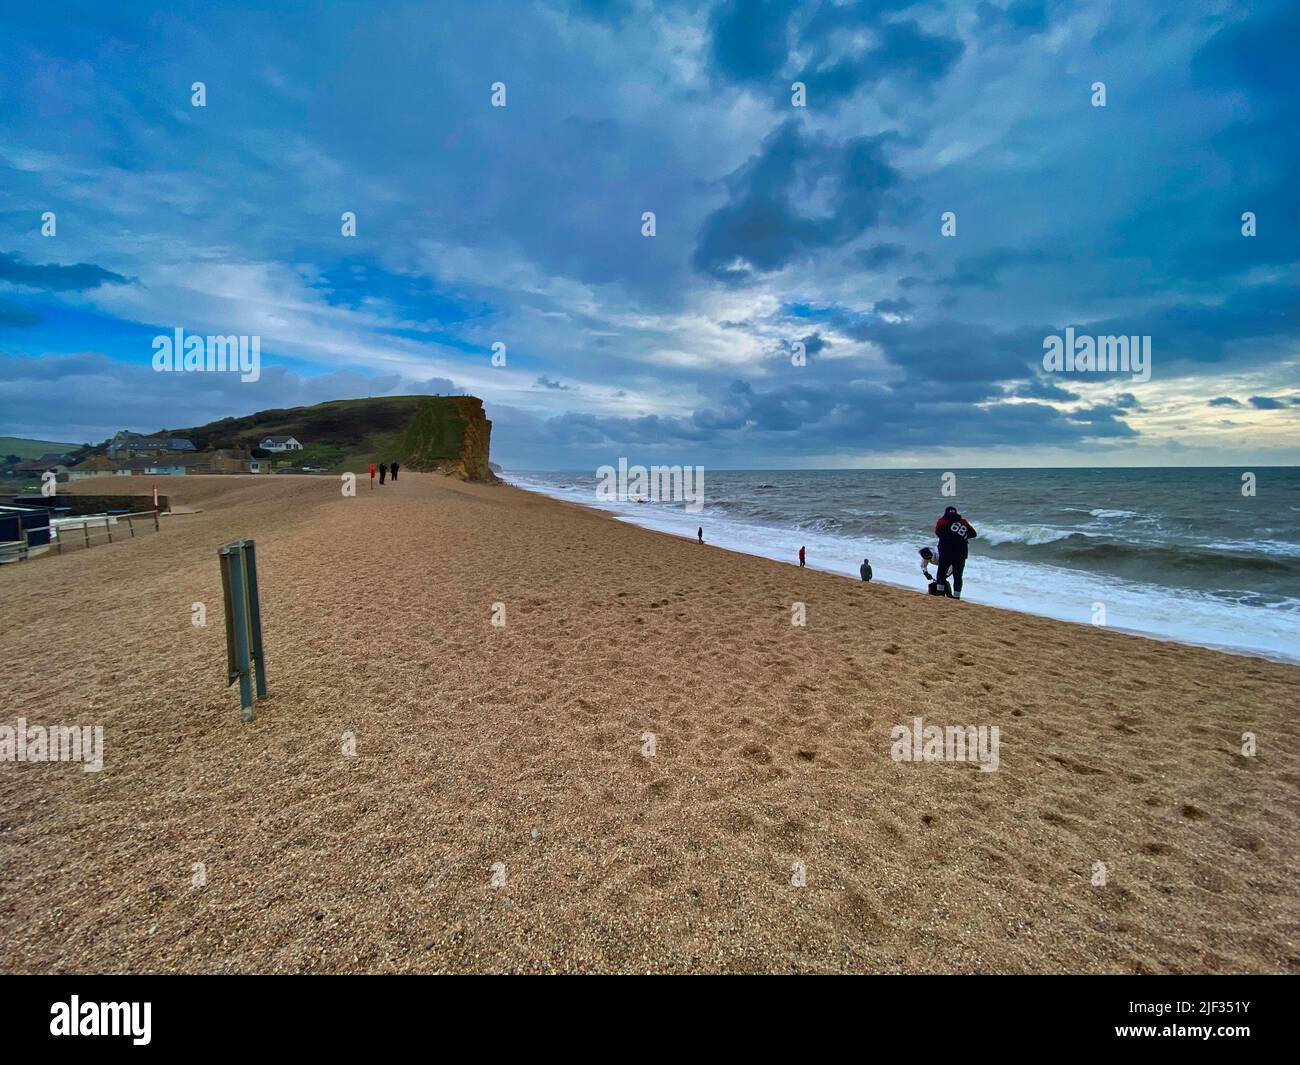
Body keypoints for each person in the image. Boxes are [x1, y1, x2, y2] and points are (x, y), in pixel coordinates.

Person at [933, 505, 976, 600]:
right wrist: (960, 538)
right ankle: (956, 596)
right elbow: (973, 534)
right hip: (961, 553)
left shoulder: (942, 521)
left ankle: (940, 592)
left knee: (941, 572)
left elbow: (937, 533)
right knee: (958, 576)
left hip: (945, 551)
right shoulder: (963, 522)